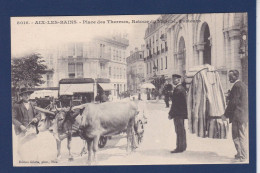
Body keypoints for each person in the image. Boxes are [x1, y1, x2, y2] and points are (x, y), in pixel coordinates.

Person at [222, 70, 248, 162]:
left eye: (231, 76)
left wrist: (225, 115)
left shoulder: (237, 86)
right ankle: (240, 153)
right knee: (240, 135)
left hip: (238, 115)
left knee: (237, 136)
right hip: (242, 115)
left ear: (235, 76)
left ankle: (243, 156)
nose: (229, 78)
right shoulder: (242, 85)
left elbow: (234, 102)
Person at [168, 74, 187, 153]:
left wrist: (170, 113)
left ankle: (179, 148)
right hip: (181, 113)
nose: (173, 81)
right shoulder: (181, 88)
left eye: (175, 79)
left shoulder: (178, 89)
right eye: (173, 79)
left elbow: (175, 104)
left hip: (178, 114)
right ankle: (182, 146)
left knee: (179, 130)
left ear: (179, 80)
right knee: (181, 130)